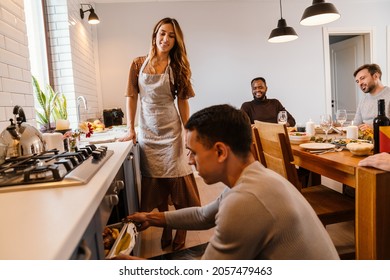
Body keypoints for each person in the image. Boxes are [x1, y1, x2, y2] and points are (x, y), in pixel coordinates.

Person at [124, 104, 339, 260]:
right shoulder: (256, 177)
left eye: (192, 152)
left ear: (220, 151)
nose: (189, 160)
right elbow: (203, 215)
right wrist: (152, 218)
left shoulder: (246, 200)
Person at [118, 17, 200, 251]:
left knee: (179, 181)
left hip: (172, 131)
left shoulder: (178, 67)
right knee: (158, 184)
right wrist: (130, 128)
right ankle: (166, 225)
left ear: (177, 41)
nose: (166, 39)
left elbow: (183, 102)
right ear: (154, 35)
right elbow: (131, 96)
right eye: (162, 33)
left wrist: (188, 131)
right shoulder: (138, 63)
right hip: (148, 132)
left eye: (172, 36)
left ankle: (181, 228)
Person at [353, 63, 390, 132]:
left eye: (362, 78)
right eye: (357, 81)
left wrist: (374, 128)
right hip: (363, 141)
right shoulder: (363, 100)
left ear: (375, 76)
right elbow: (356, 124)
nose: (360, 83)